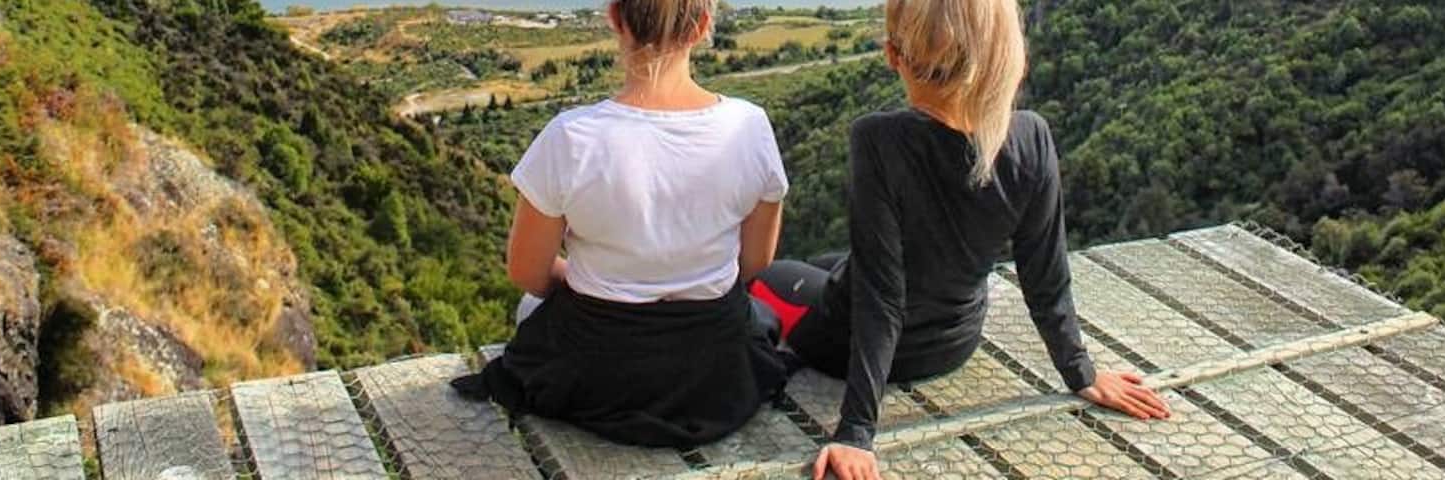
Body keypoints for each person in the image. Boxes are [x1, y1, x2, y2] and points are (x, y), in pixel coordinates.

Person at [748, 0, 1173, 478]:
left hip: (840, 343)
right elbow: (1045, 278)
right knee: (833, 261)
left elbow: (882, 297)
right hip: (954, 342)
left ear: (893, 55)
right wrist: (1083, 374)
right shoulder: (1030, 137)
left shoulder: (879, 140)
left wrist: (856, 431)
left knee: (772, 276)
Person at [451, 0, 790, 448]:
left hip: (598, 368)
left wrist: (596, 281)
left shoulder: (570, 136)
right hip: (712, 370)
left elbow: (527, 273)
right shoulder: (750, 126)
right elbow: (754, 262)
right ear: (703, 26)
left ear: (615, 18)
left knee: (528, 309)